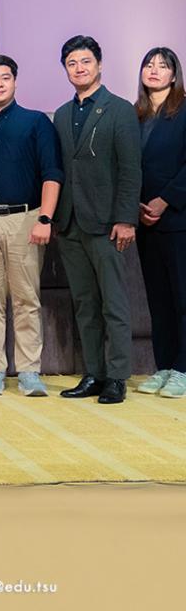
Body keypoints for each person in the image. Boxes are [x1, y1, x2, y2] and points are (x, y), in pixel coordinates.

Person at [0, 55, 62, 397]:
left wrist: (45, 218)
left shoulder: (36, 122)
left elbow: (52, 173)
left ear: (15, 82)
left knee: (26, 299)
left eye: (5, 77)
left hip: (26, 219)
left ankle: (29, 371)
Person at [53, 36, 142, 405]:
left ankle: (117, 377)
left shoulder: (120, 110)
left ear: (100, 65)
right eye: (72, 63)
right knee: (85, 304)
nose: (79, 68)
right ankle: (94, 373)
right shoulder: (61, 114)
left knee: (113, 303)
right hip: (70, 223)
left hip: (107, 223)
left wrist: (125, 219)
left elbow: (131, 169)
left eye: (86, 61)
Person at [134, 47, 186, 398]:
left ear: (174, 74)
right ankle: (164, 365)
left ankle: (183, 368)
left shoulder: (183, 110)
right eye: (149, 65)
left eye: (163, 66)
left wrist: (165, 200)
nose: (154, 70)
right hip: (144, 220)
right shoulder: (133, 114)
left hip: (178, 217)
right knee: (158, 298)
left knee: (182, 297)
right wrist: (135, 206)